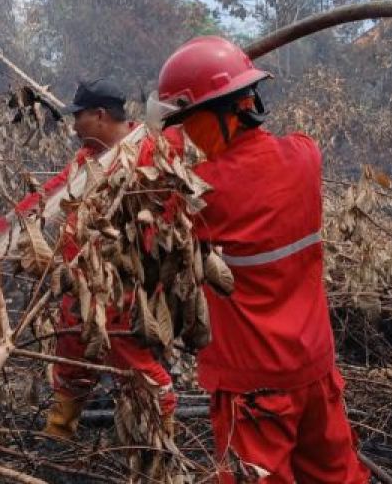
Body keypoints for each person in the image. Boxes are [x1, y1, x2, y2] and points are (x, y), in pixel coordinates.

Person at [152, 36, 369, 484]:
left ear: (218, 116)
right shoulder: (304, 157)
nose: (185, 135)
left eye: (187, 122)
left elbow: (153, 231)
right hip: (315, 369)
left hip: (255, 386)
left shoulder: (204, 194)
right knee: (337, 476)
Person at [12, 78, 177, 440]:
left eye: (79, 118)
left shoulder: (146, 151)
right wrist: (9, 225)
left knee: (132, 364)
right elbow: (54, 192)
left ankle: (162, 447)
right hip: (79, 285)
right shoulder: (88, 157)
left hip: (121, 288)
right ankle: (59, 436)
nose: (72, 127)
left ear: (100, 115)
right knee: (71, 355)